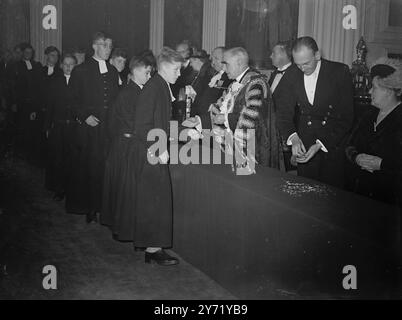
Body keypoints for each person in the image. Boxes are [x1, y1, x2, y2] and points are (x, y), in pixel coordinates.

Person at [187, 47, 284, 169]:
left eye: (226, 64)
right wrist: (200, 121)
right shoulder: (235, 84)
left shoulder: (256, 84)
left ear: (239, 63)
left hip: (252, 150)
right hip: (231, 147)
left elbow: (251, 118)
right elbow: (219, 109)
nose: (224, 68)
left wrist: (225, 119)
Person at [276, 36, 354, 188]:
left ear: (317, 55)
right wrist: (293, 137)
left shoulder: (339, 71)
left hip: (333, 141)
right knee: (307, 192)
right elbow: (283, 112)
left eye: (306, 63)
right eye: (298, 64)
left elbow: (347, 118)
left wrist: (320, 144)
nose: (302, 69)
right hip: (305, 140)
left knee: (332, 194)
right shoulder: (292, 73)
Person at [133, 47, 184, 266]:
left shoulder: (161, 86)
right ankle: (153, 250)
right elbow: (141, 126)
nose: (179, 74)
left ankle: (153, 248)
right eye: (176, 69)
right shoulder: (155, 88)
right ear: (163, 67)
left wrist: (182, 129)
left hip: (155, 151)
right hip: (151, 154)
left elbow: (160, 122)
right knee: (155, 201)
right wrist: (158, 148)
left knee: (157, 201)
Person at [67, 31, 119, 223]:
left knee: (104, 169)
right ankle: (89, 207)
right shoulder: (81, 70)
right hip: (88, 129)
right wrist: (84, 116)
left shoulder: (113, 71)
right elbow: (71, 101)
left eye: (110, 46)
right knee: (89, 168)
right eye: (106, 46)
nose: (109, 50)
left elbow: (115, 101)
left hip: (108, 129)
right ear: (95, 46)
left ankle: (102, 207)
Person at [101, 53, 154, 241]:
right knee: (125, 190)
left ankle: (121, 227)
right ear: (136, 71)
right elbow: (136, 124)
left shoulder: (136, 90)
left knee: (122, 190)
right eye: (147, 73)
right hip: (126, 145)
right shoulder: (130, 93)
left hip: (125, 143)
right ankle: (123, 229)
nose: (149, 76)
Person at [345, 57, 402, 206]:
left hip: (389, 198)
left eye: (374, 87)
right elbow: (350, 144)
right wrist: (356, 157)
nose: (370, 91)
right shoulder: (368, 114)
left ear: (389, 91)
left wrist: (383, 164)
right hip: (360, 193)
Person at [44, 54, 77, 201]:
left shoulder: (79, 82)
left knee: (72, 159)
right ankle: (59, 188)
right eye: (66, 64)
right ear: (61, 65)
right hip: (58, 126)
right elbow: (49, 105)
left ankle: (71, 188)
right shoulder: (54, 82)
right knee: (58, 159)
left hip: (74, 128)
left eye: (71, 64)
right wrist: (47, 126)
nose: (68, 67)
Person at [269, 40, 300, 171]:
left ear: (284, 54)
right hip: (273, 127)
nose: (270, 56)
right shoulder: (274, 73)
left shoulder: (297, 73)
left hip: (288, 128)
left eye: (273, 53)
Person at [14, 43, 43, 164]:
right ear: (22, 53)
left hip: (34, 101)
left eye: (30, 53)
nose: (28, 55)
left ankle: (32, 154)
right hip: (22, 102)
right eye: (26, 52)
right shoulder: (17, 66)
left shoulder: (37, 65)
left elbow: (38, 84)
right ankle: (22, 153)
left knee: (33, 129)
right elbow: (14, 86)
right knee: (23, 127)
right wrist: (14, 102)